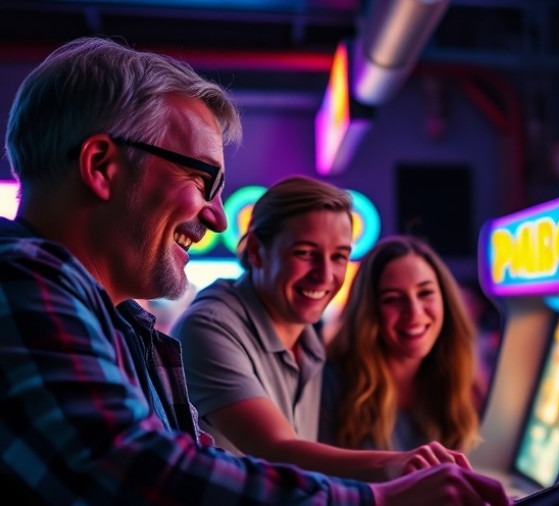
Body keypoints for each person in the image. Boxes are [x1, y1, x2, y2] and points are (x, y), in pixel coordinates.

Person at [0, 36, 508, 505]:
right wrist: (380, 497)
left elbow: (201, 458)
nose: (218, 216)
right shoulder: (22, 279)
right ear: (101, 167)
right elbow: (131, 466)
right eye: (202, 180)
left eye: (338, 256)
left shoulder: (123, 323)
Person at [173, 175, 475, 482]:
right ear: (255, 251)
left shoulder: (308, 339)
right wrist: (402, 465)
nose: (325, 275)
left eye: (339, 257)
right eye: (305, 253)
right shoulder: (209, 327)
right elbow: (278, 450)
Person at [320, 236, 481, 453]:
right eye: (393, 299)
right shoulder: (331, 384)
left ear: (446, 301)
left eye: (425, 293)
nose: (414, 312)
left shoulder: (462, 379)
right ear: (369, 312)